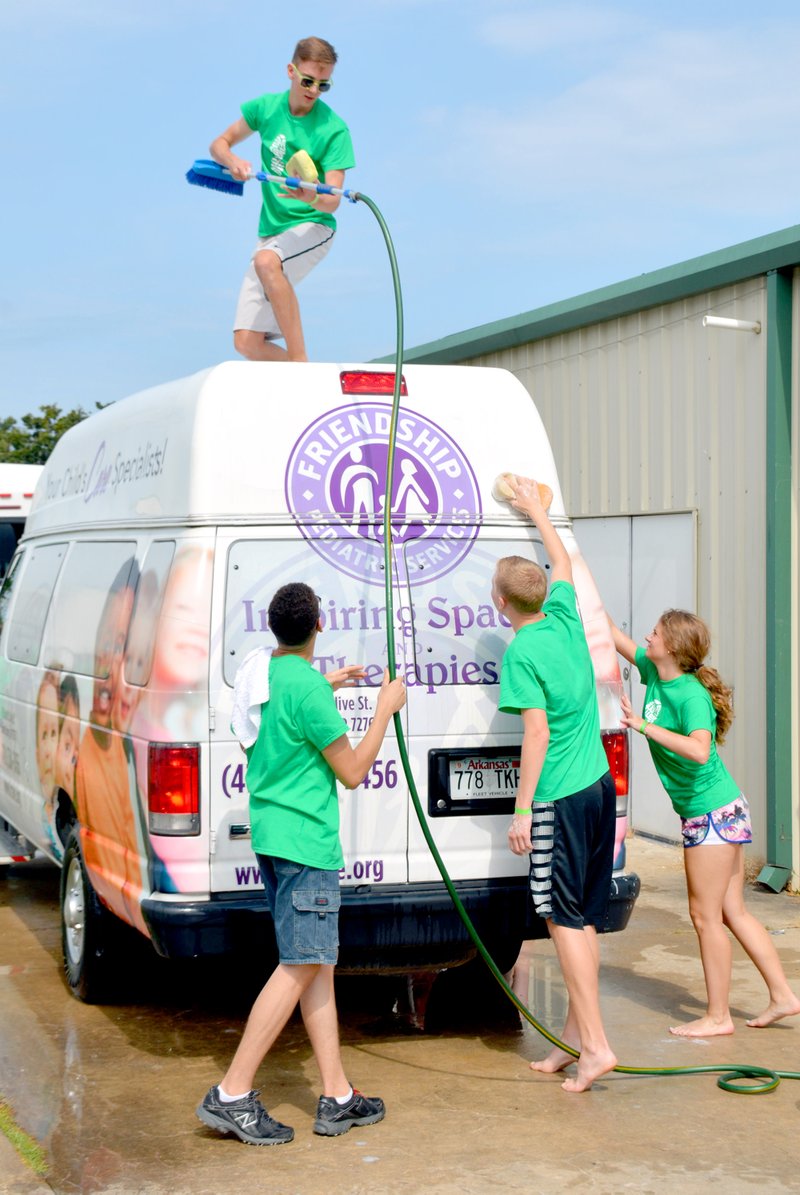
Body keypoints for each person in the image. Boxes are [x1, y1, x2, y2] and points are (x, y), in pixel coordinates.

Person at [196, 582, 406, 1145]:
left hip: (272, 836)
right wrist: (384, 711)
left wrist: (327, 682)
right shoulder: (308, 693)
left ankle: (337, 1096)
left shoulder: (262, 676)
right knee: (298, 965)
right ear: (319, 623)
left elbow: (284, 711)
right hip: (307, 845)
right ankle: (233, 1093)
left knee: (316, 964)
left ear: (275, 628)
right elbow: (355, 770)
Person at [610, 609, 800, 1037]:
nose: (647, 635)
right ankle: (783, 995)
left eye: (655, 632)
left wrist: (642, 725)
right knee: (731, 910)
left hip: (711, 814)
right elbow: (611, 633)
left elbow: (699, 749)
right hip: (720, 808)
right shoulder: (654, 671)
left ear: (673, 646)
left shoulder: (690, 696)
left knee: (704, 917)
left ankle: (718, 1017)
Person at [492, 477, 617, 1093]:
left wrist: (521, 811)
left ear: (500, 605)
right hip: (599, 787)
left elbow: (535, 734)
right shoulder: (564, 616)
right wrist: (539, 512)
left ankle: (595, 1046)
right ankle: (574, 1042)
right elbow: (562, 560)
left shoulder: (520, 653)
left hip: (562, 796)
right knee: (585, 917)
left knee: (561, 918)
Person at [209, 36, 355, 364]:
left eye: (324, 85)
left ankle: (301, 363)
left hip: (314, 225)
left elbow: (333, 201)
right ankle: (301, 377)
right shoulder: (265, 108)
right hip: (271, 232)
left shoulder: (334, 129)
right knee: (247, 343)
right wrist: (232, 161)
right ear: (291, 71)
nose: (314, 90)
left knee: (266, 262)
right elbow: (219, 144)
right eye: (308, 80)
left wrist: (312, 195)